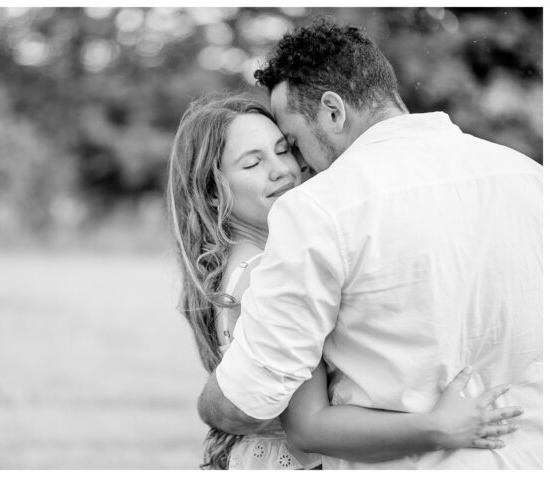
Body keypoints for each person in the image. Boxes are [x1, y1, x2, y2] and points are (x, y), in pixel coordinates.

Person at [196, 19, 542, 469]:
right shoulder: (528, 178)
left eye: (295, 142)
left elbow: (251, 397)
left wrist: (207, 407)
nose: (301, 165)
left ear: (333, 111)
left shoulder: (319, 209)